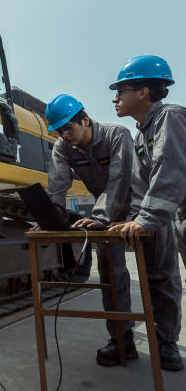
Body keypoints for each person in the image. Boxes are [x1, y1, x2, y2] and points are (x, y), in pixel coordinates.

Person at [31, 94, 137, 366]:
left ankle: (165, 341)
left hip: (139, 210)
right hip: (107, 211)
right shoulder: (63, 147)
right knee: (112, 277)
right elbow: (57, 186)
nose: (65, 135)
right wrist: (50, 219)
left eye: (69, 127)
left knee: (156, 276)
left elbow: (119, 181)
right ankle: (121, 339)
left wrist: (100, 217)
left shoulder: (117, 135)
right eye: (59, 130)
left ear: (85, 119)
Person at [109, 55, 184, 371]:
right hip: (175, 213)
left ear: (142, 92)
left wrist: (148, 220)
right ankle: (166, 343)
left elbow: (172, 170)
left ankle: (167, 343)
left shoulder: (171, 117)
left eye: (121, 90)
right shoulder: (142, 134)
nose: (115, 98)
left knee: (164, 277)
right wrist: (135, 220)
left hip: (173, 209)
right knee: (160, 276)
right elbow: (142, 188)